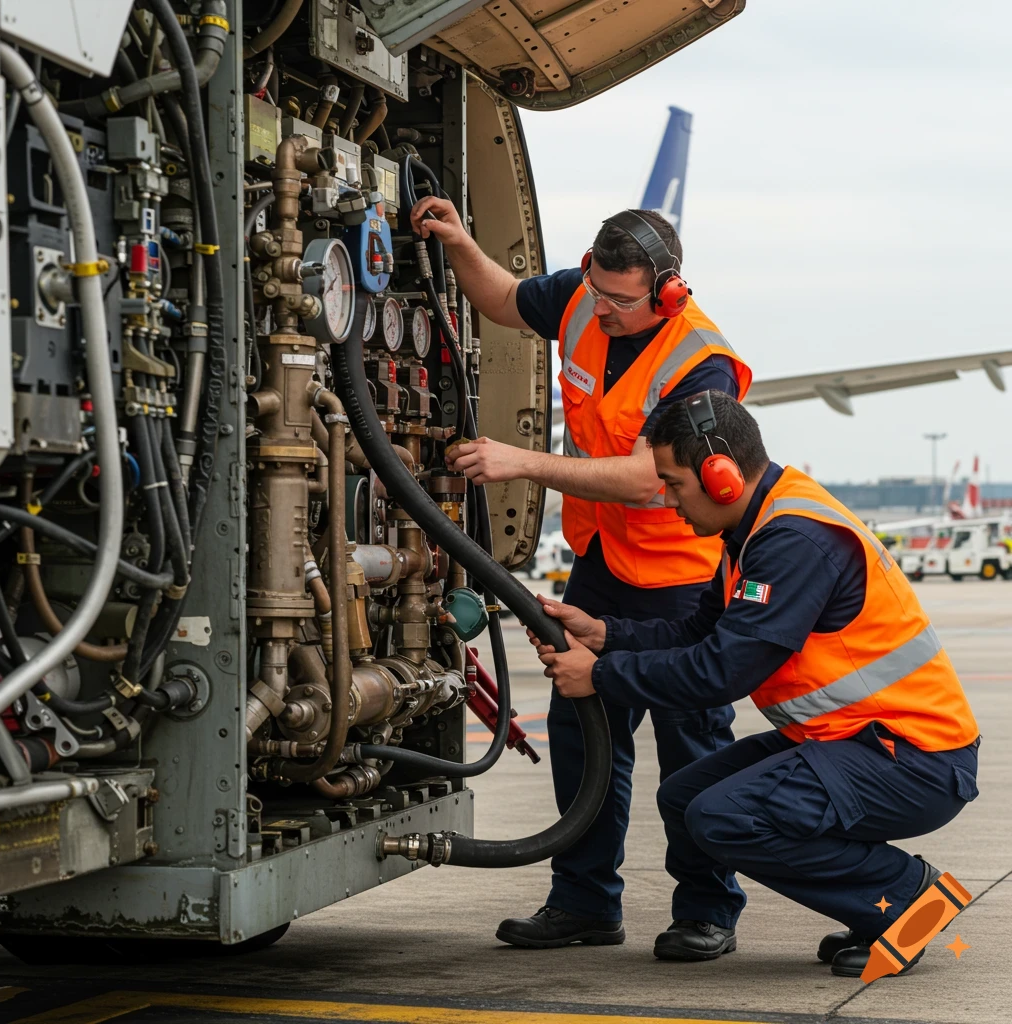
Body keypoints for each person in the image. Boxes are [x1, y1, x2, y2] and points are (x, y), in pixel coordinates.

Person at [530, 390, 980, 975]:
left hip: (913, 759)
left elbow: (721, 672)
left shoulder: (793, 541)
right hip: (854, 741)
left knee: (725, 816)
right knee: (685, 798)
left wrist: (601, 678)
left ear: (721, 477)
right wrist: (606, 636)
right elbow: (699, 635)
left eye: (673, 483)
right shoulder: (755, 531)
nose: (666, 501)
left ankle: (908, 899)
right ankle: (840, 911)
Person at [410, 197, 752, 948]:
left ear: (664, 293)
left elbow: (645, 479)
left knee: (694, 742)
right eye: (595, 288)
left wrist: (518, 462)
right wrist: (461, 241)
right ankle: (586, 903)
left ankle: (706, 908)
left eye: (619, 300)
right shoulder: (581, 298)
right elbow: (502, 297)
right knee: (582, 727)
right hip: (603, 565)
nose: (601, 309)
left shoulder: (703, 366)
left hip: (681, 577)